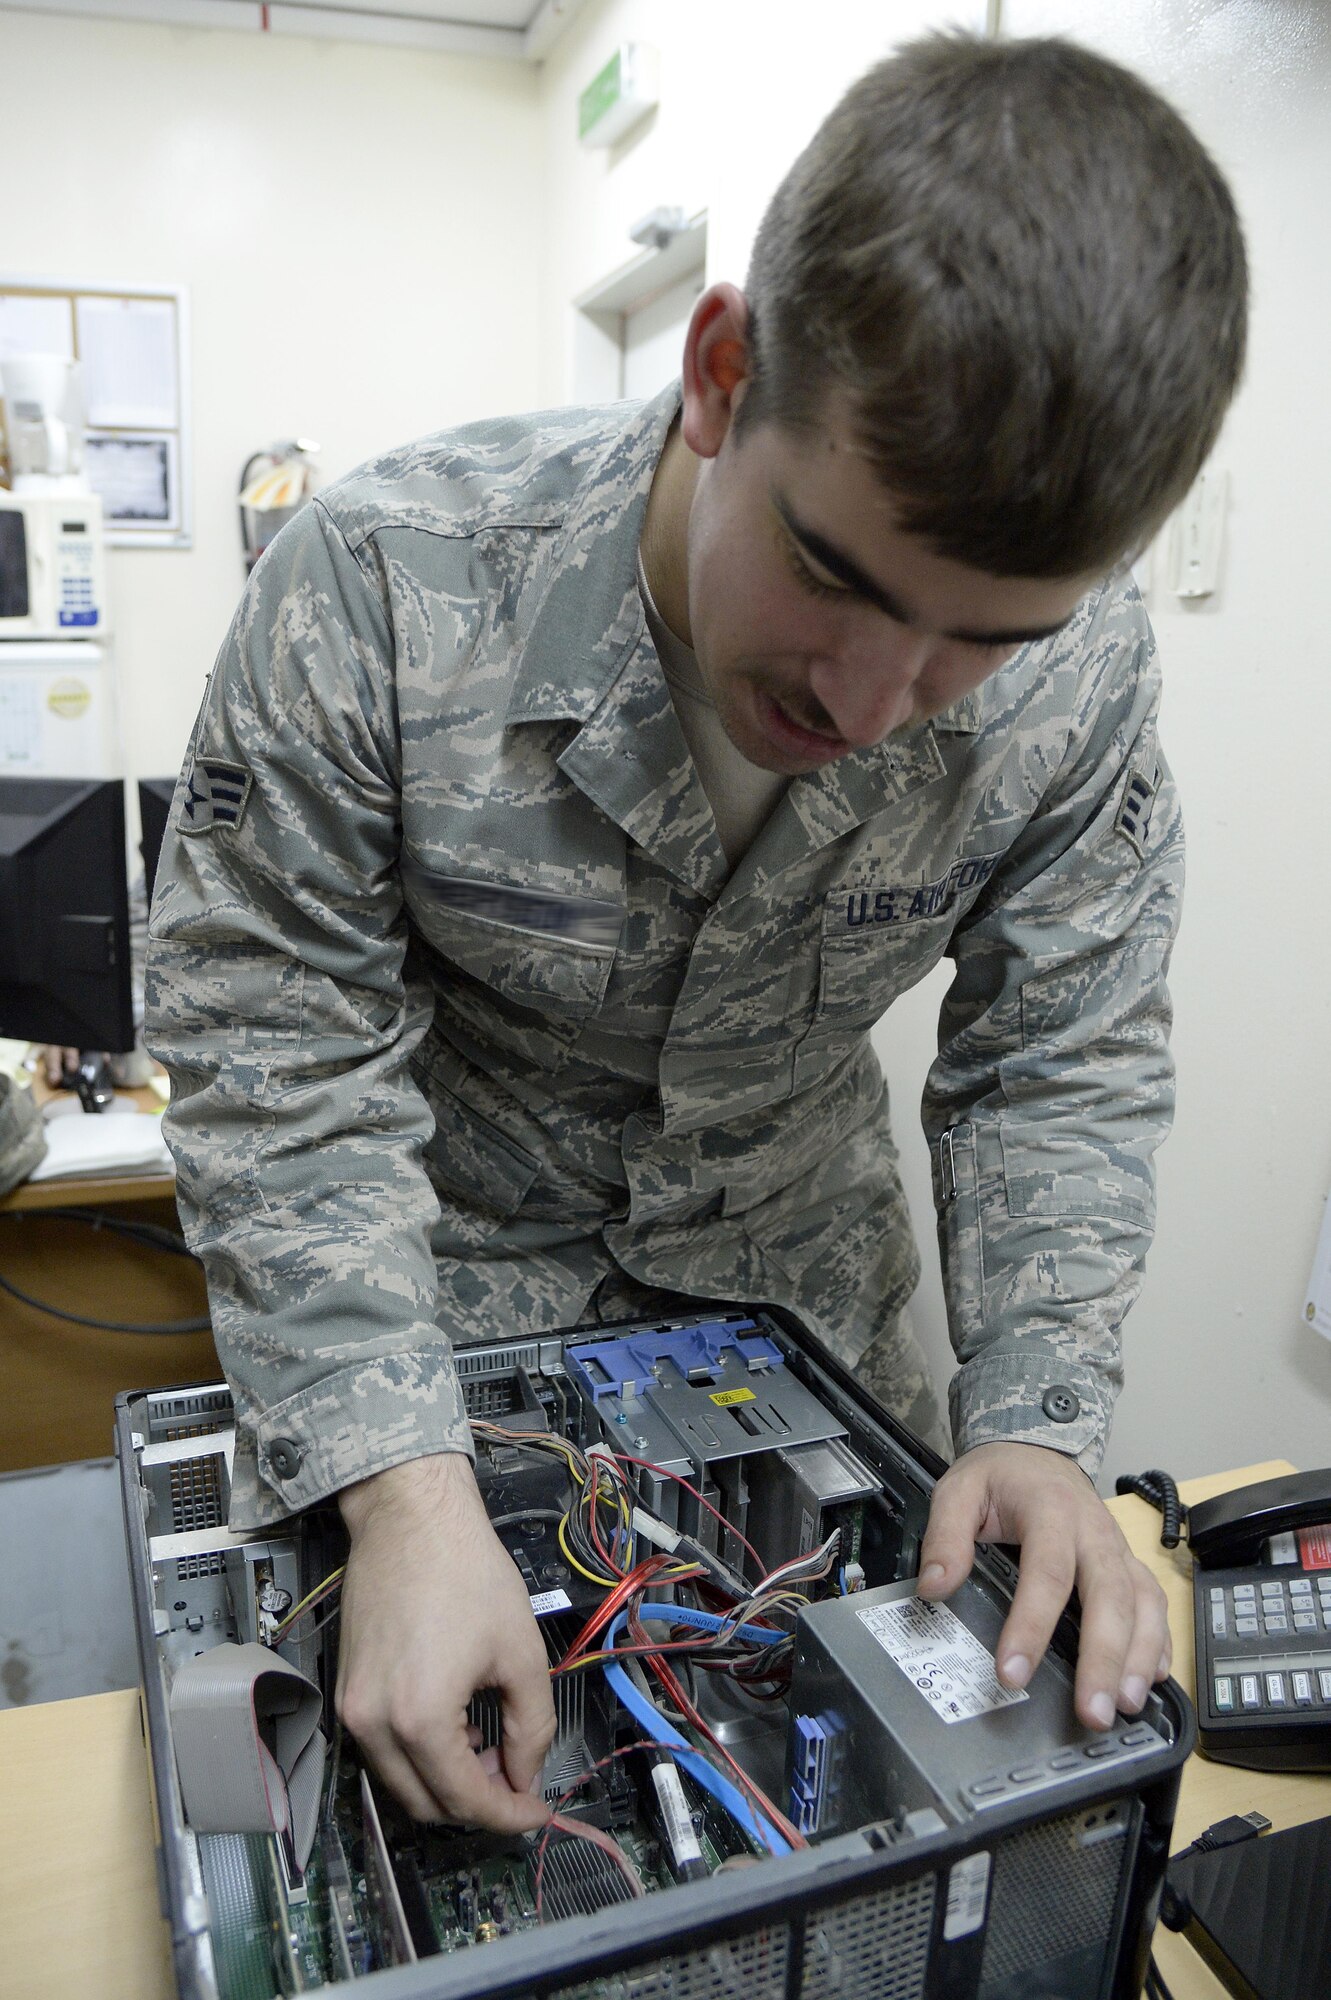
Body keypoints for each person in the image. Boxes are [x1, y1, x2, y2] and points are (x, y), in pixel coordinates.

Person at [146, 33, 1247, 1835]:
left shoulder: (1091, 678)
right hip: (433, 1319)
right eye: (838, 576)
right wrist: (400, 1484)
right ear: (723, 372)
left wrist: (1043, 1416)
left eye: (985, 641)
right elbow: (277, 1053)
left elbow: (1061, 1051)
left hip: (807, 1315)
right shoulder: (379, 591)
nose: (884, 701)